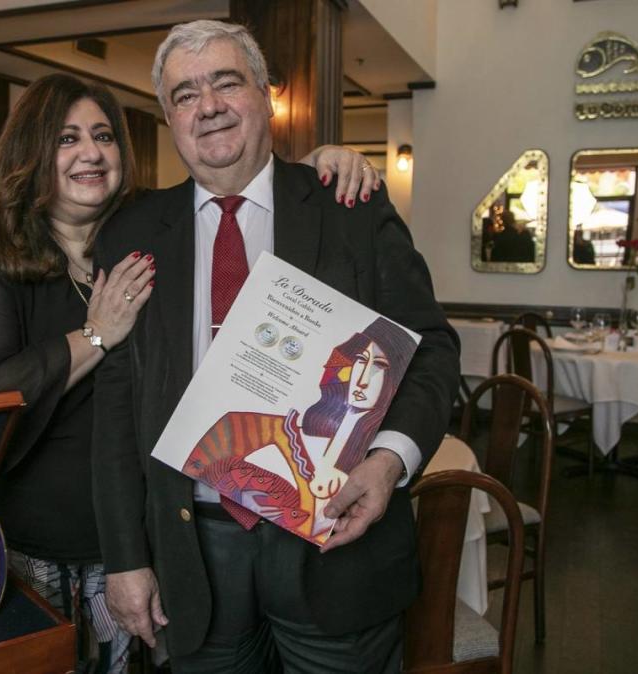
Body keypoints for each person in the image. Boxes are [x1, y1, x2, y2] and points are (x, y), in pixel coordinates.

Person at [0, 71, 380, 673]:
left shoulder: (144, 230)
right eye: (65, 139)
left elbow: (238, 187)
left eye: (104, 135)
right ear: (30, 152)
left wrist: (312, 167)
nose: (91, 152)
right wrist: (94, 336)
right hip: (48, 538)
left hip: (160, 531)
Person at [91, 20, 460, 673]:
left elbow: (429, 348)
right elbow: (115, 408)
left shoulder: (349, 204)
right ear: (170, 118)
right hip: (192, 551)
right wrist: (125, 558)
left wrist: (386, 464)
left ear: (265, 95)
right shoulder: (135, 230)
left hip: (338, 543)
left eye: (225, 82)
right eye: (184, 94)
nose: (207, 106)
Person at [181, 318, 418, 543]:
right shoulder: (259, 427)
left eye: (378, 366)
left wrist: (389, 458)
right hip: (189, 524)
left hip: (336, 553)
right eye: (360, 361)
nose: (363, 379)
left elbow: (434, 352)